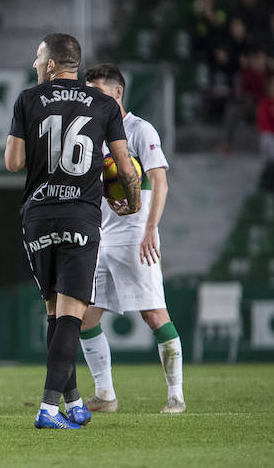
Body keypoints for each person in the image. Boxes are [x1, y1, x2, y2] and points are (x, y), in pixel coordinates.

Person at [5, 34, 141, 430]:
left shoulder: (28, 99)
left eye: (37, 58)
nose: (34, 64)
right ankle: (48, 410)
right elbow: (125, 167)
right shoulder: (103, 104)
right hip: (80, 216)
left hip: (38, 216)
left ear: (50, 65)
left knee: (55, 312)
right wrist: (131, 203)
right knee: (72, 314)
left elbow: (13, 163)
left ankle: (76, 403)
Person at [80, 64, 185, 414]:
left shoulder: (139, 129)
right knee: (85, 318)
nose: (91, 96)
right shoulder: (92, 135)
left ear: (117, 93)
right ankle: (105, 395)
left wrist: (150, 228)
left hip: (134, 237)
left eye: (96, 90)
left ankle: (176, 395)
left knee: (154, 314)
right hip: (100, 238)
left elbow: (160, 181)